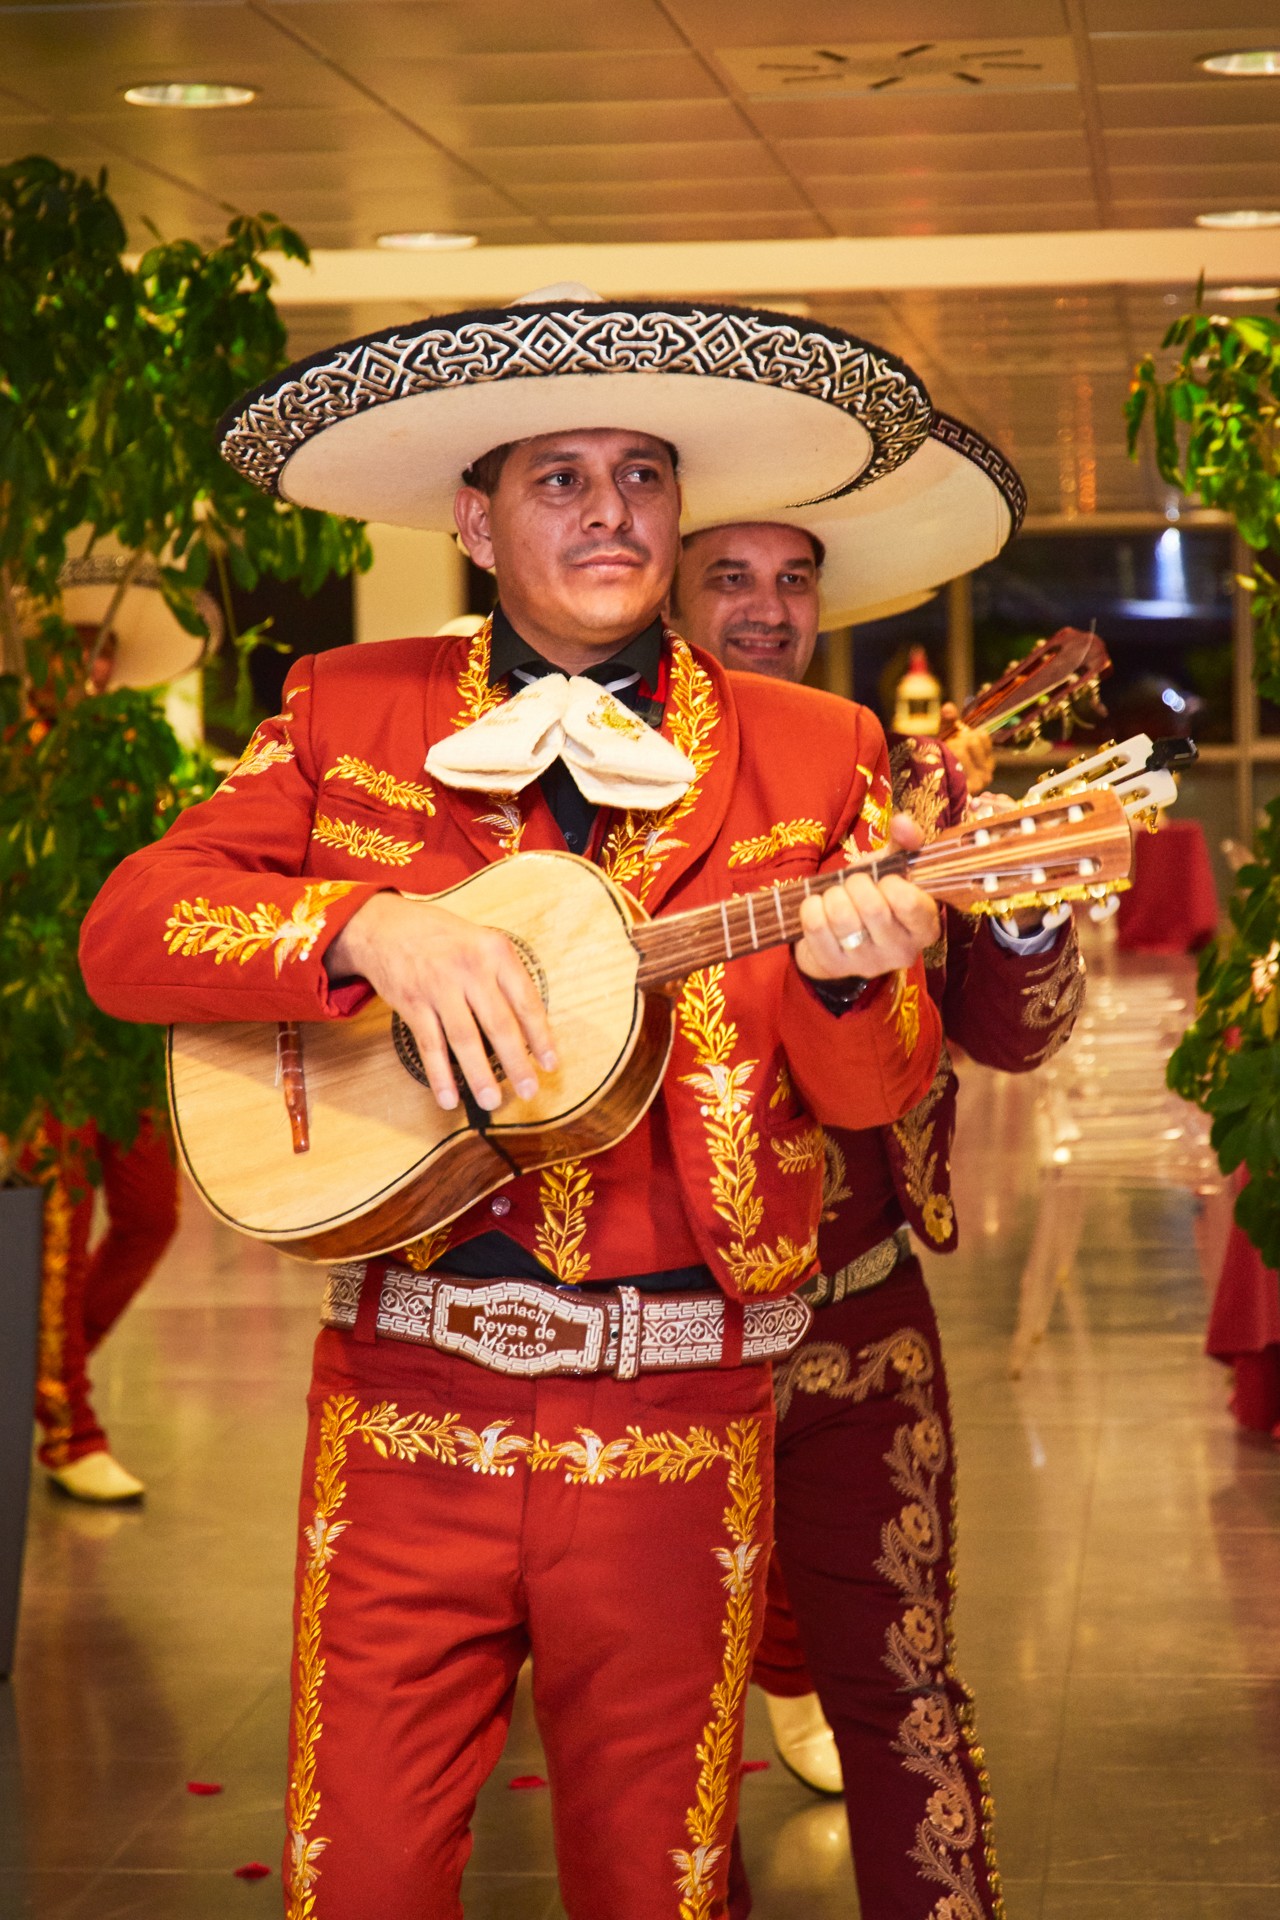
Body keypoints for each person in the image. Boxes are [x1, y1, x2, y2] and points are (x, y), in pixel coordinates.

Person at [79, 291, 962, 1920]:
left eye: (641, 473)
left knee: (663, 1885)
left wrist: (851, 979)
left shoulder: (813, 746)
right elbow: (130, 933)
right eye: (560, 477)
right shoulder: (350, 707)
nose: (611, 509)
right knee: (363, 1882)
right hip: (406, 1398)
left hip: (678, 1416)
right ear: (478, 522)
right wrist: (357, 928)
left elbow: (874, 1088)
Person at [673, 421, 1085, 1920]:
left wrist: (1022, 910)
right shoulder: (586, 798)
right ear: (667, 590)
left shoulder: (897, 788)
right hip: (660, 1341)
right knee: (664, 1743)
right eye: (731, 574)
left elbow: (1012, 1036)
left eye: (795, 576)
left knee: (906, 1693)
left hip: (860, 1321)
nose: (770, 605)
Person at [20, 544, 219, 1504]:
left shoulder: (137, 754)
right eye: (73, 647)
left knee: (150, 1215)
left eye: (102, 650)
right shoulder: (19, 763)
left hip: (124, 1030)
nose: (90, 667)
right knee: (60, 1224)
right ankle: (64, 1418)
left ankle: (39, 1378)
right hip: (45, 1036)